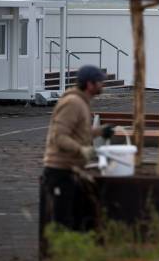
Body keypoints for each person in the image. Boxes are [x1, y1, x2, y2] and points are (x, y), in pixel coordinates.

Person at [39, 65, 115, 238]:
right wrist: (81, 149)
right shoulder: (73, 103)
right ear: (90, 84)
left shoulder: (81, 102)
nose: (102, 85)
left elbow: (79, 132)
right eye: (100, 82)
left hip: (72, 170)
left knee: (75, 220)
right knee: (62, 223)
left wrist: (100, 131)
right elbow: (59, 137)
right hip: (60, 171)